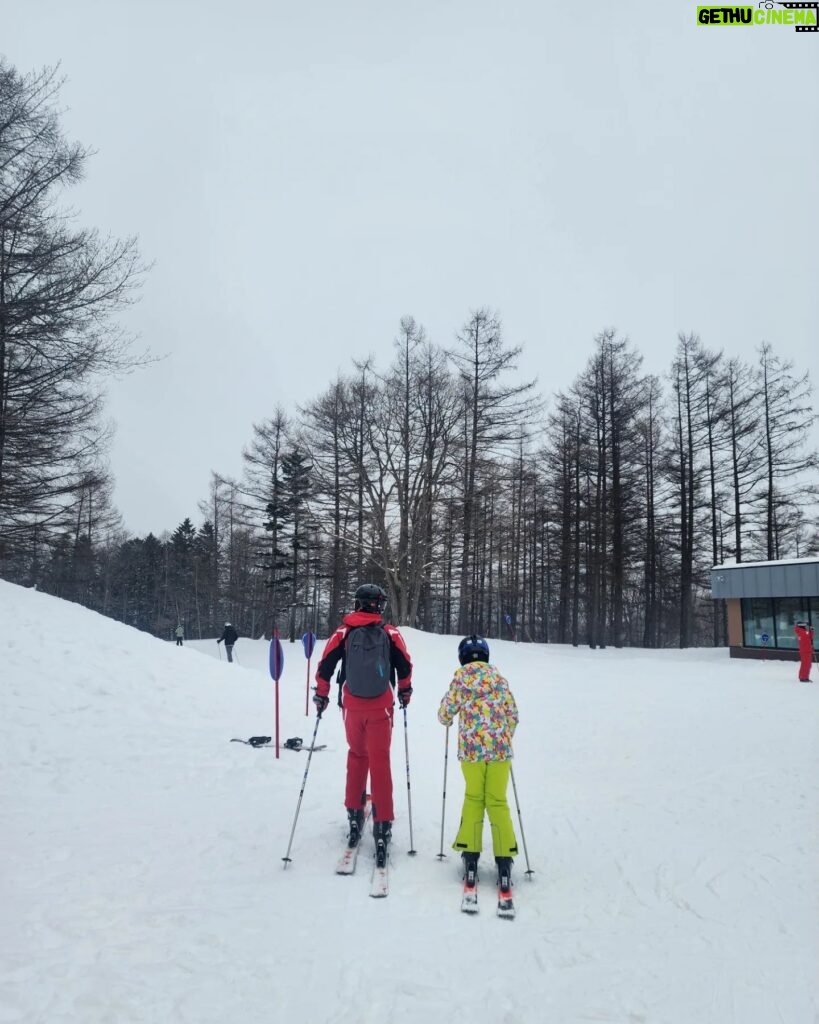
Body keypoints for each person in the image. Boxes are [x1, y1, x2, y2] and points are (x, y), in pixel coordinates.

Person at [313, 583, 413, 867]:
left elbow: (325, 666)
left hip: (352, 705)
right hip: (381, 705)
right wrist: (405, 691)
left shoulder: (343, 632)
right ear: (379, 605)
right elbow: (404, 665)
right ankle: (383, 824)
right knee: (380, 760)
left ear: (357, 603)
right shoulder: (390, 633)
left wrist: (321, 695)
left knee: (357, 756)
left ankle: (354, 813)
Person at [438, 635, 519, 893]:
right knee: (497, 800)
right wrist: (504, 735)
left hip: (472, 753)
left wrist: (448, 717)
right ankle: (504, 857)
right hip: (499, 752)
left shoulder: (461, 679)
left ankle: (470, 855)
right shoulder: (498, 679)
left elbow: (445, 713)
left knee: (474, 798)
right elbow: (513, 714)